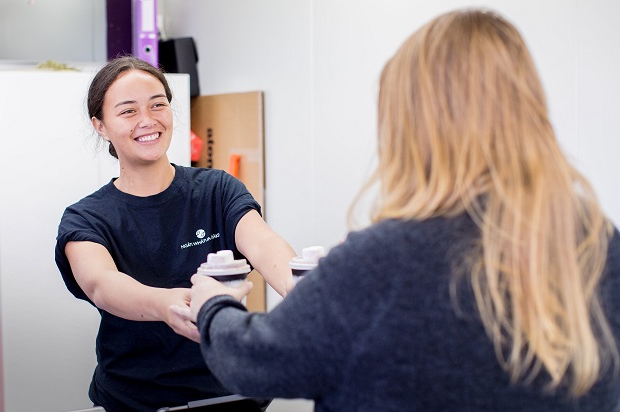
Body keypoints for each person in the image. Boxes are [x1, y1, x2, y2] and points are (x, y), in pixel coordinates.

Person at [182, 9, 620, 412]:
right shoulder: (594, 239)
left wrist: (214, 305)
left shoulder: (382, 260)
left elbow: (257, 362)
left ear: (415, 124)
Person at [54, 56, 295, 412]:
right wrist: (166, 305)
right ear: (100, 126)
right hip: (133, 401)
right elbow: (101, 284)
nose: (147, 121)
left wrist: (303, 288)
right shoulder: (86, 218)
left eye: (158, 105)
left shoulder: (216, 189)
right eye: (128, 111)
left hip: (229, 394)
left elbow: (263, 243)